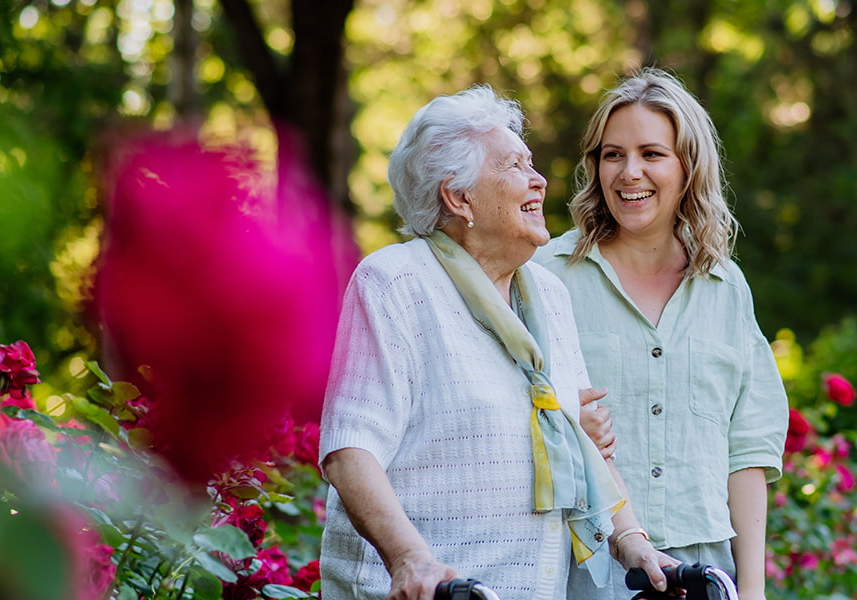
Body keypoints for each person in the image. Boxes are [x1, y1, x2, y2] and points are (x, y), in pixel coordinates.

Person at [318, 85, 674, 600]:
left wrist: (632, 541)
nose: (539, 180)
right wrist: (410, 559)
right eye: (515, 167)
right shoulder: (396, 282)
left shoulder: (546, 293)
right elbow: (350, 449)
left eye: (532, 164)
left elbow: (580, 442)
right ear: (460, 197)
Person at [535, 68, 788, 600]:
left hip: (706, 572)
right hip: (587, 566)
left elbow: (747, 452)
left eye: (652, 154)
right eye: (612, 155)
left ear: (687, 166)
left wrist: (754, 590)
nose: (630, 173)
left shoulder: (726, 287)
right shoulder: (544, 276)